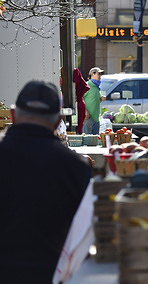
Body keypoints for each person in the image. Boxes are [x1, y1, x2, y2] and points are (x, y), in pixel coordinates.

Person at [0, 80, 92, 282]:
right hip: (48, 275)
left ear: (13, 115)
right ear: (58, 120)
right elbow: (84, 237)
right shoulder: (75, 167)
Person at [83, 66, 106, 134]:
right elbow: (78, 99)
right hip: (88, 118)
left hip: (96, 119)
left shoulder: (96, 87)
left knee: (94, 141)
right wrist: (85, 111)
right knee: (87, 140)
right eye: (98, 74)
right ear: (93, 74)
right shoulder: (86, 86)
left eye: (100, 74)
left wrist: (100, 99)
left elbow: (93, 100)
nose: (100, 76)